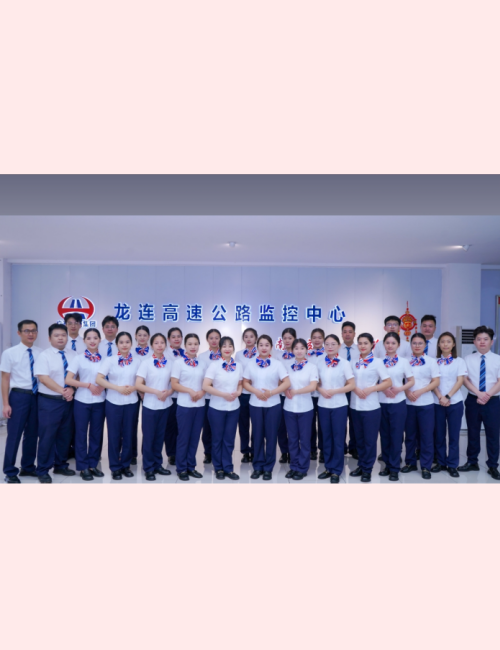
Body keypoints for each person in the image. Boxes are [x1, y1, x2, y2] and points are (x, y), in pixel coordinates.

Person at [243, 335, 290, 481]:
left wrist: (271, 392)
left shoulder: (277, 364)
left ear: (271, 347)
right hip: (256, 403)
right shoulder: (251, 363)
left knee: (271, 436)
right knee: (257, 435)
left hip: (273, 404)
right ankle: (257, 466)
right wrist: (256, 391)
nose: (264, 347)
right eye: (261, 345)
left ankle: (268, 467)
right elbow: (245, 382)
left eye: (267, 345)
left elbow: (286, 382)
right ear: (257, 347)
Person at [33, 323, 77, 483]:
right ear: (49, 338)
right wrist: (63, 390)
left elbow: (77, 375)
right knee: (47, 436)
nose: (60, 338)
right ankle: (43, 469)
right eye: (56, 335)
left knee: (65, 435)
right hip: (49, 401)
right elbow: (43, 378)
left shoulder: (73, 355)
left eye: (63, 335)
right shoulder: (44, 356)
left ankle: (60, 465)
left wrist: (72, 388)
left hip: (68, 402)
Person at [1, 319, 42, 483]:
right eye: (27, 331)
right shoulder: (9, 353)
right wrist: (6, 404)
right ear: (19, 333)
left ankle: (28, 467)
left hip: (37, 396)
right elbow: (5, 379)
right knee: (14, 434)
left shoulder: (41, 353)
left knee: (32, 434)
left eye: (33, 331)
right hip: (18, 396)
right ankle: (10, 471)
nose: (30, 334)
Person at [458, 326, 500, 480]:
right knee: (473, 432)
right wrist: (478, 393)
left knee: (493, 434)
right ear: (474, 341)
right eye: (479, 339)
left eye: (486, 339)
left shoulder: (498, 359)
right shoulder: (467, 359)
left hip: (493, 401)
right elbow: (464, 380)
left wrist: (487, 395)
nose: (482, 342)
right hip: (473, 400)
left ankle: (493, 465)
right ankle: (472, 462)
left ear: (492, 341)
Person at [349, 333, 391, 482]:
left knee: (370, 440)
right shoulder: (353, 362)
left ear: (372, 344)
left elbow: (387, 382)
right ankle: (361, 465)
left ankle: (367, 469)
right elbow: (348, 381)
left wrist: (372, 389)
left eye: (365, 343)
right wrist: (355, 389)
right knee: (359, 439)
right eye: (360, 343)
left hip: (371, 407)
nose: (362, 346)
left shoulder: (378, 362)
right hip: (355, 405)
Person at [96, 332, 139, 480]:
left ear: (131, 344)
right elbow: (99, 379)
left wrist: (134, 387)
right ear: (117, 345)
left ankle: (126, 465)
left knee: (128, 434)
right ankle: (115, 467)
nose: (124, 345)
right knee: (114, 435)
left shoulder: (137, 361)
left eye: (127, 342)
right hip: (113, 402)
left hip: (131, 402)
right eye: (121, 342)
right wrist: (117, 388)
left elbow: (142, 381)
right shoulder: (110, 360)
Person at [66, 328, 106, 481]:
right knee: (81, 434)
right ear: (84, 341)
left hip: (99, 401)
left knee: (96, 434)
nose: (92, 341)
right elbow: (69, 379)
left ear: (99, 340)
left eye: (95, 338)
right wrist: (88, 385)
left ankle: (93, 465)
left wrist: (102, 386)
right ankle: (83, 466)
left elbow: (109, 378)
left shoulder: (105, 359)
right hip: (82, 401)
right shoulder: (79, 358)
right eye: (89, 338)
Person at [316, 334, 355, 483]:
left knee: (338, 438)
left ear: (339, 346)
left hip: (339, 405)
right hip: (323, 405)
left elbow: (351, 385)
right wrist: (320, 390)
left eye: (333, 344)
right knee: (326, 437)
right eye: (327, 344)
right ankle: (328, 467)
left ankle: (337, 471)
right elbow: (316, 382)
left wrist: (335, 391)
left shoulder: (344, 363)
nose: (330, 347)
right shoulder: (319, 363)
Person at [203, 336, 243, 480]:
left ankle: (228, 468)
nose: (227, 348)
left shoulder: (238, 365)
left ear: (233, 348)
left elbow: (240, 384)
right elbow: (206, 386)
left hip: (234, 407)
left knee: (229, 439)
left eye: (230, 346)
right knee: (217, 439)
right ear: (219, 348)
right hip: (217, 407)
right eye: (224, 346)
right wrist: (223, 395)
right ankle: (218, 467)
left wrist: (238, 392)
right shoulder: (214, 365)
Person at [402, 333, 441, 479]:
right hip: (408, 403)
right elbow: (399, 380)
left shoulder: (431, 361)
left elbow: (436, 381)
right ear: (410, 345)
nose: (417, 346)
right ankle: (410, 462)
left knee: (426, 436)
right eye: (414, 343)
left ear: (425, 345)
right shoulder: (404, 361)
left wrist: (420, 391)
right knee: (410, 435)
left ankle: (425, 466)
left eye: (420, 343)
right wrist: (407, 392)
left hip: (426, 403)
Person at [135, 333, 173, 481]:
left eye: (162, 342)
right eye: (156, 343)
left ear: (165, 345)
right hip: (150, 405)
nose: (159, 345)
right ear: (151, 345)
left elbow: (174, 383)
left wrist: (168, 392)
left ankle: (158, 464)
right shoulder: (146, 363)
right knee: (149, 437)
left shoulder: (170, 363)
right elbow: (138, 384)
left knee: (160, 437)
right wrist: (155, 392)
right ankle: (148, 467)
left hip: (165, 404)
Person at [378, 332, 415, 481]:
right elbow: (374, 381)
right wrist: (383, 389)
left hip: (398, 402)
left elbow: (411, 381)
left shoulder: (404, 362)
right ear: (384, 345)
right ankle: (387, 465)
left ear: (398, 345)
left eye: (393, 343)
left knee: (396, 435)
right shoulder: (378, 362)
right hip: (381, 401)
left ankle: (394, 468)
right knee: (384, 435)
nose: (390, 345)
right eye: (387, 343)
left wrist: (399, 389)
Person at [171, 333, 208, 481]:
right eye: (190, 344)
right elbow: (174, 384)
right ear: (185, 346)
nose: (193, 347)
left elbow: (207, 383)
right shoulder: (178, 363)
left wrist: (201, 392)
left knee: (194, 437)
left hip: (200, 405)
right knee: (183, 437)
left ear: (199, 345)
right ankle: (181, 468)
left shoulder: (203, 363)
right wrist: (190, 391)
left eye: (196, 344)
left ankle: (191, 466)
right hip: (185, 405)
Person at [431, 332, 467, 477]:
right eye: (442, 341)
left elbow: (460, 381)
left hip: (455, 402)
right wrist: (440, 397)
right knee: (439, 435)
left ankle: (452, 464)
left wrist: (448, 396)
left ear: (453, 344)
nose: (445, 344)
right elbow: (432, 381)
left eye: (448, 341)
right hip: (437, 402)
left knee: (453, 435)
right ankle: (441, 462)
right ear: (439, 345)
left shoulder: (459, 361)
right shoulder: (434, 362)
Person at [283, 338, 319, 480]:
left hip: (305, 408)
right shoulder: (287, 366)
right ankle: (294, 466)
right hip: (289, 407)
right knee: (292, 439)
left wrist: (296, 391)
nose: (299, 351)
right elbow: (282, 382)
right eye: (296, 348)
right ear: (292, 350)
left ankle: (303, 468)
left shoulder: (312, 367)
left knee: (304, 439)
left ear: (306, 350)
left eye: (302, 348)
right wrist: (285, 389)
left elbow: (313, 386)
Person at [273, 327, 296, 464]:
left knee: (293, 426)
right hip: (281, 394)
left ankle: (294, 451)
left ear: (295, 339)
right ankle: (284, 451)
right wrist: (284, 387)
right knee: (281, 425)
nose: (287, 341)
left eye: (290, 338)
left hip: (295, 394)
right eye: (285, 338)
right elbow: (274, 375)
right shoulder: (277, 356)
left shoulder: (300, 354)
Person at [199, 328, 222, 464]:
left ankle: (218, 452)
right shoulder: (202, 357)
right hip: (206, 397)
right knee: (207, 427)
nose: (214, 340)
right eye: (211, 338)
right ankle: (208, 453)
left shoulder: (226, 355)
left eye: (217, 338)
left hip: (221, 397)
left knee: (218, 428)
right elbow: (200, 377)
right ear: (207, 340)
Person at [235, 327, 258, 463]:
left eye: (251, 336)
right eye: (246, 336)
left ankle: (255, 450)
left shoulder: (261, 352)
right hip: (243, 393)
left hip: (256, 393)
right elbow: (237, 372)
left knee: (256, 424)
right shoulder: (238, 354)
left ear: (256, 338)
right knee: (243, 424)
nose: (249, 339)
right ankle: (245, 451)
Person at [130, 325, 151, 465]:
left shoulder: (155, 352)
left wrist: (145, 390)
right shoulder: (130, 352)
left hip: (150, 392)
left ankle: (146, 454)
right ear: (135, 336)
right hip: (133, 391)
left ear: (148, 337)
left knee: (147, 425)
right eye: (139, 335)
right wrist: (138, 390)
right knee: (132, 423)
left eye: (145, 335)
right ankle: (131, 454)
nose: (142, 337)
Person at [339, 321, 359, 458]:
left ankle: (354, 447)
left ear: (354, 333)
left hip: (356, 390)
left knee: (354, 420)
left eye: (350, 331)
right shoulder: (336, 349)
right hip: (341, 390)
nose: (347, 334)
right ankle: (341, 447)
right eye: (345, 332)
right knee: (340, 421)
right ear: (341, 334)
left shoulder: (360, 349)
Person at [164, 327, 184, 466]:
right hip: (170, 396)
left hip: (183, 395)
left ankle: (181, 453)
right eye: (173, 336)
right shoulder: (164, 354)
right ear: (168, 339)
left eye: (178, 336)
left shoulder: (188, 353)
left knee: (181, 427)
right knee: (170, 426)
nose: (176, 339)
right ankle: (171, 453)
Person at [307, 328, 325, 462]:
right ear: (311, 339)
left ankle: (323, 450)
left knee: (323, 425)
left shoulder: (329, 355)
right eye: (314, 337)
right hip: (309, 395)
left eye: (319, 337)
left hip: (324, 395)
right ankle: (312, 449)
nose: (317, 340)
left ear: (323, 339)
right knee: (310, 424)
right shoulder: (306, 355)